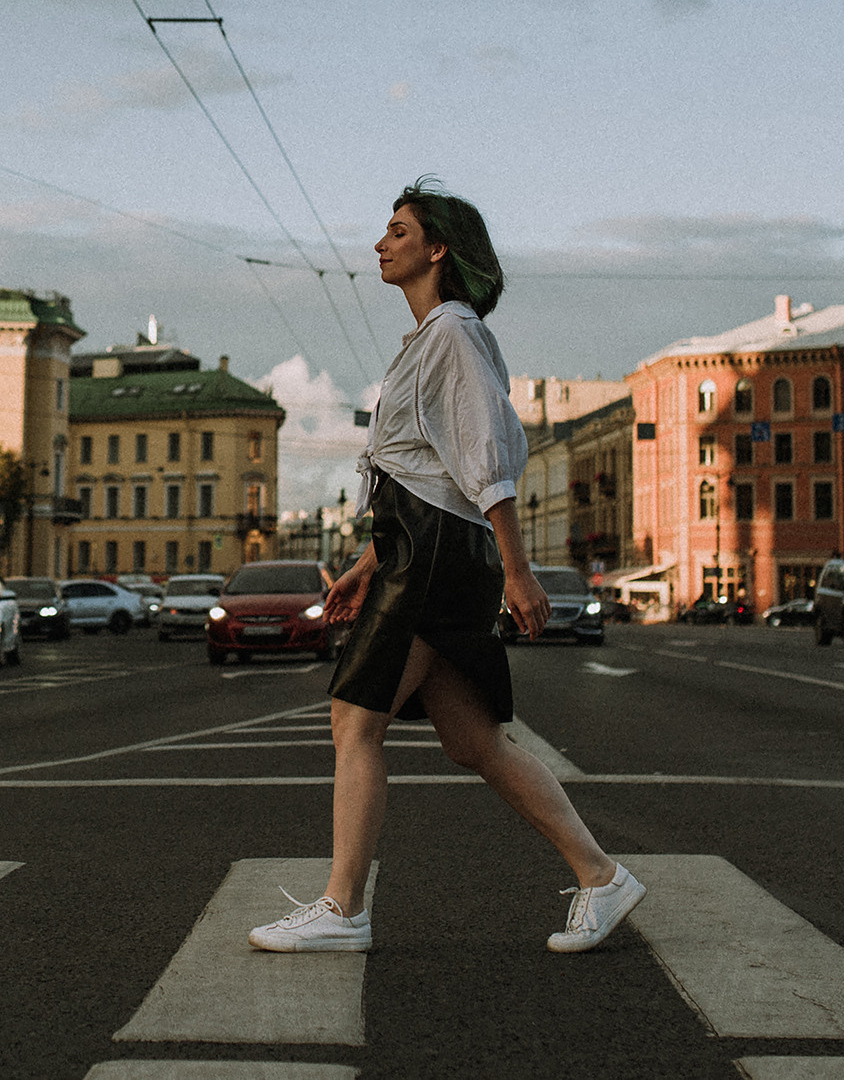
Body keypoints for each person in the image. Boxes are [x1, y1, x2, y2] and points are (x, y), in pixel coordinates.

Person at [249, 178, 642, 958]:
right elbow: (427, 472)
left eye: (397, 230)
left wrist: (519, 570)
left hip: (433, 556)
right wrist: (370, 560)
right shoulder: (434, 338)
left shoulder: (454, 335)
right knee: (474, 742)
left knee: (354, 721)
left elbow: (484, 457)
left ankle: (343, 907)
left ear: (437, 249)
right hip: (420, 548)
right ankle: (600, 876)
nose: (379, 243)